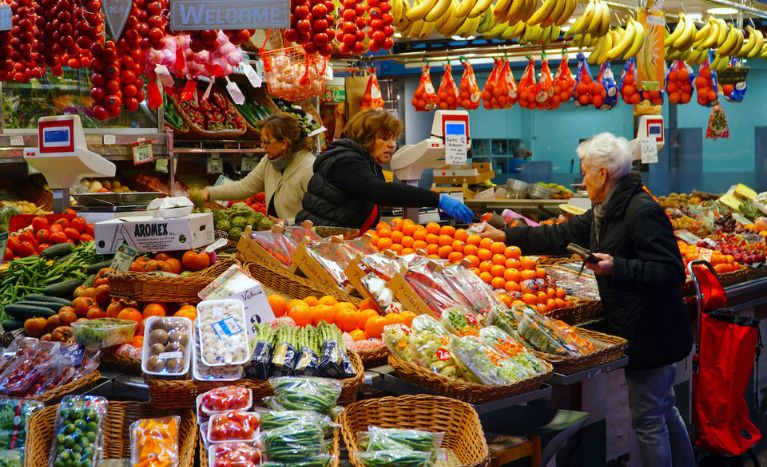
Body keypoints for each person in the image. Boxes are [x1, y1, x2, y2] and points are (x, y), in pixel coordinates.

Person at [479, 133, 694, 467]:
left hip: (653, 332)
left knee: (649, 420)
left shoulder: (640, 211)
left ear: (603, 174)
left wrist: (616, 267)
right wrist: (508, 235)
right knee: (662, 409)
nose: (582, 179)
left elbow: (670, 272)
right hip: (640, 327)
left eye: (585, 171)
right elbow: (560, 234)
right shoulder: (604, 210)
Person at [295, 109, 474, 230]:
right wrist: (437, 199)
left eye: (393, 139)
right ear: (365, 138)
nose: (391, 145)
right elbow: (378, 191)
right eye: (384, 138)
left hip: (335, 240)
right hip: (320, 243)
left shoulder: (365, 161)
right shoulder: (345, 161)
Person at [197, 112, 315, 221]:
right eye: (262, 141)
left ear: (284, 143)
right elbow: (245, 186)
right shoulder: (269, 162)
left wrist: (288, 223)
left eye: (267, 142)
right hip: (276, 236)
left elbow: (317, 215)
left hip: (301, 239)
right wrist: (209, 192)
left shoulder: (309, 168)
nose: (262, 146)